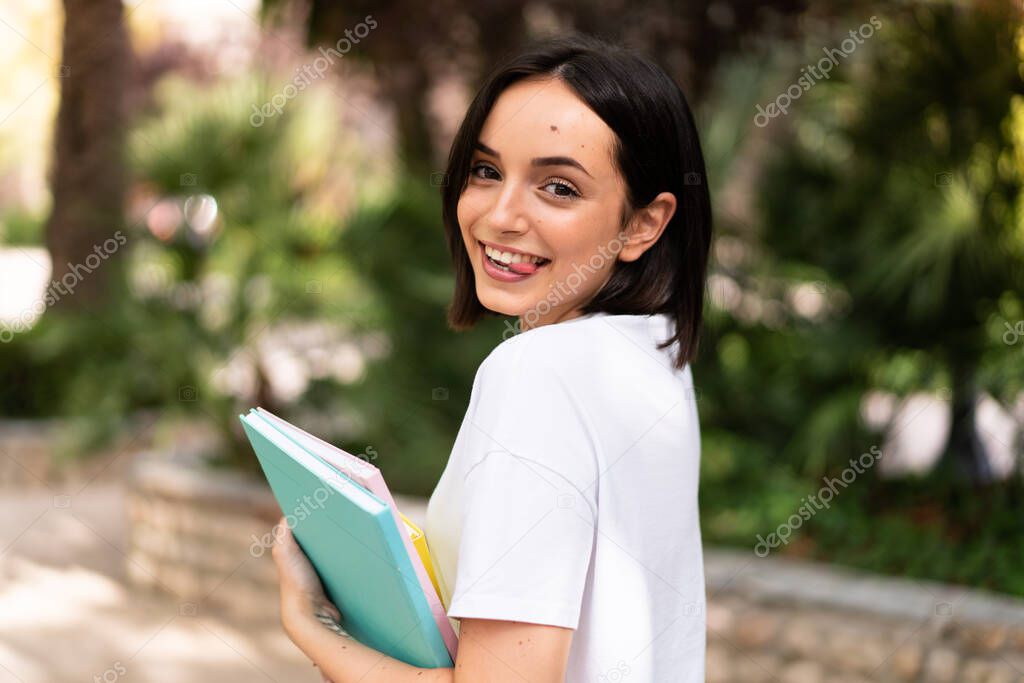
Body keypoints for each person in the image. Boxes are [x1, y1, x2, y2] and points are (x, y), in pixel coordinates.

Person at [271, 31, 713, 682]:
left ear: (644, 223)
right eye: (486, 170)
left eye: (558, 187)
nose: (500, 215)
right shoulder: (655, 357)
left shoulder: (539, 374)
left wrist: (310, 625)